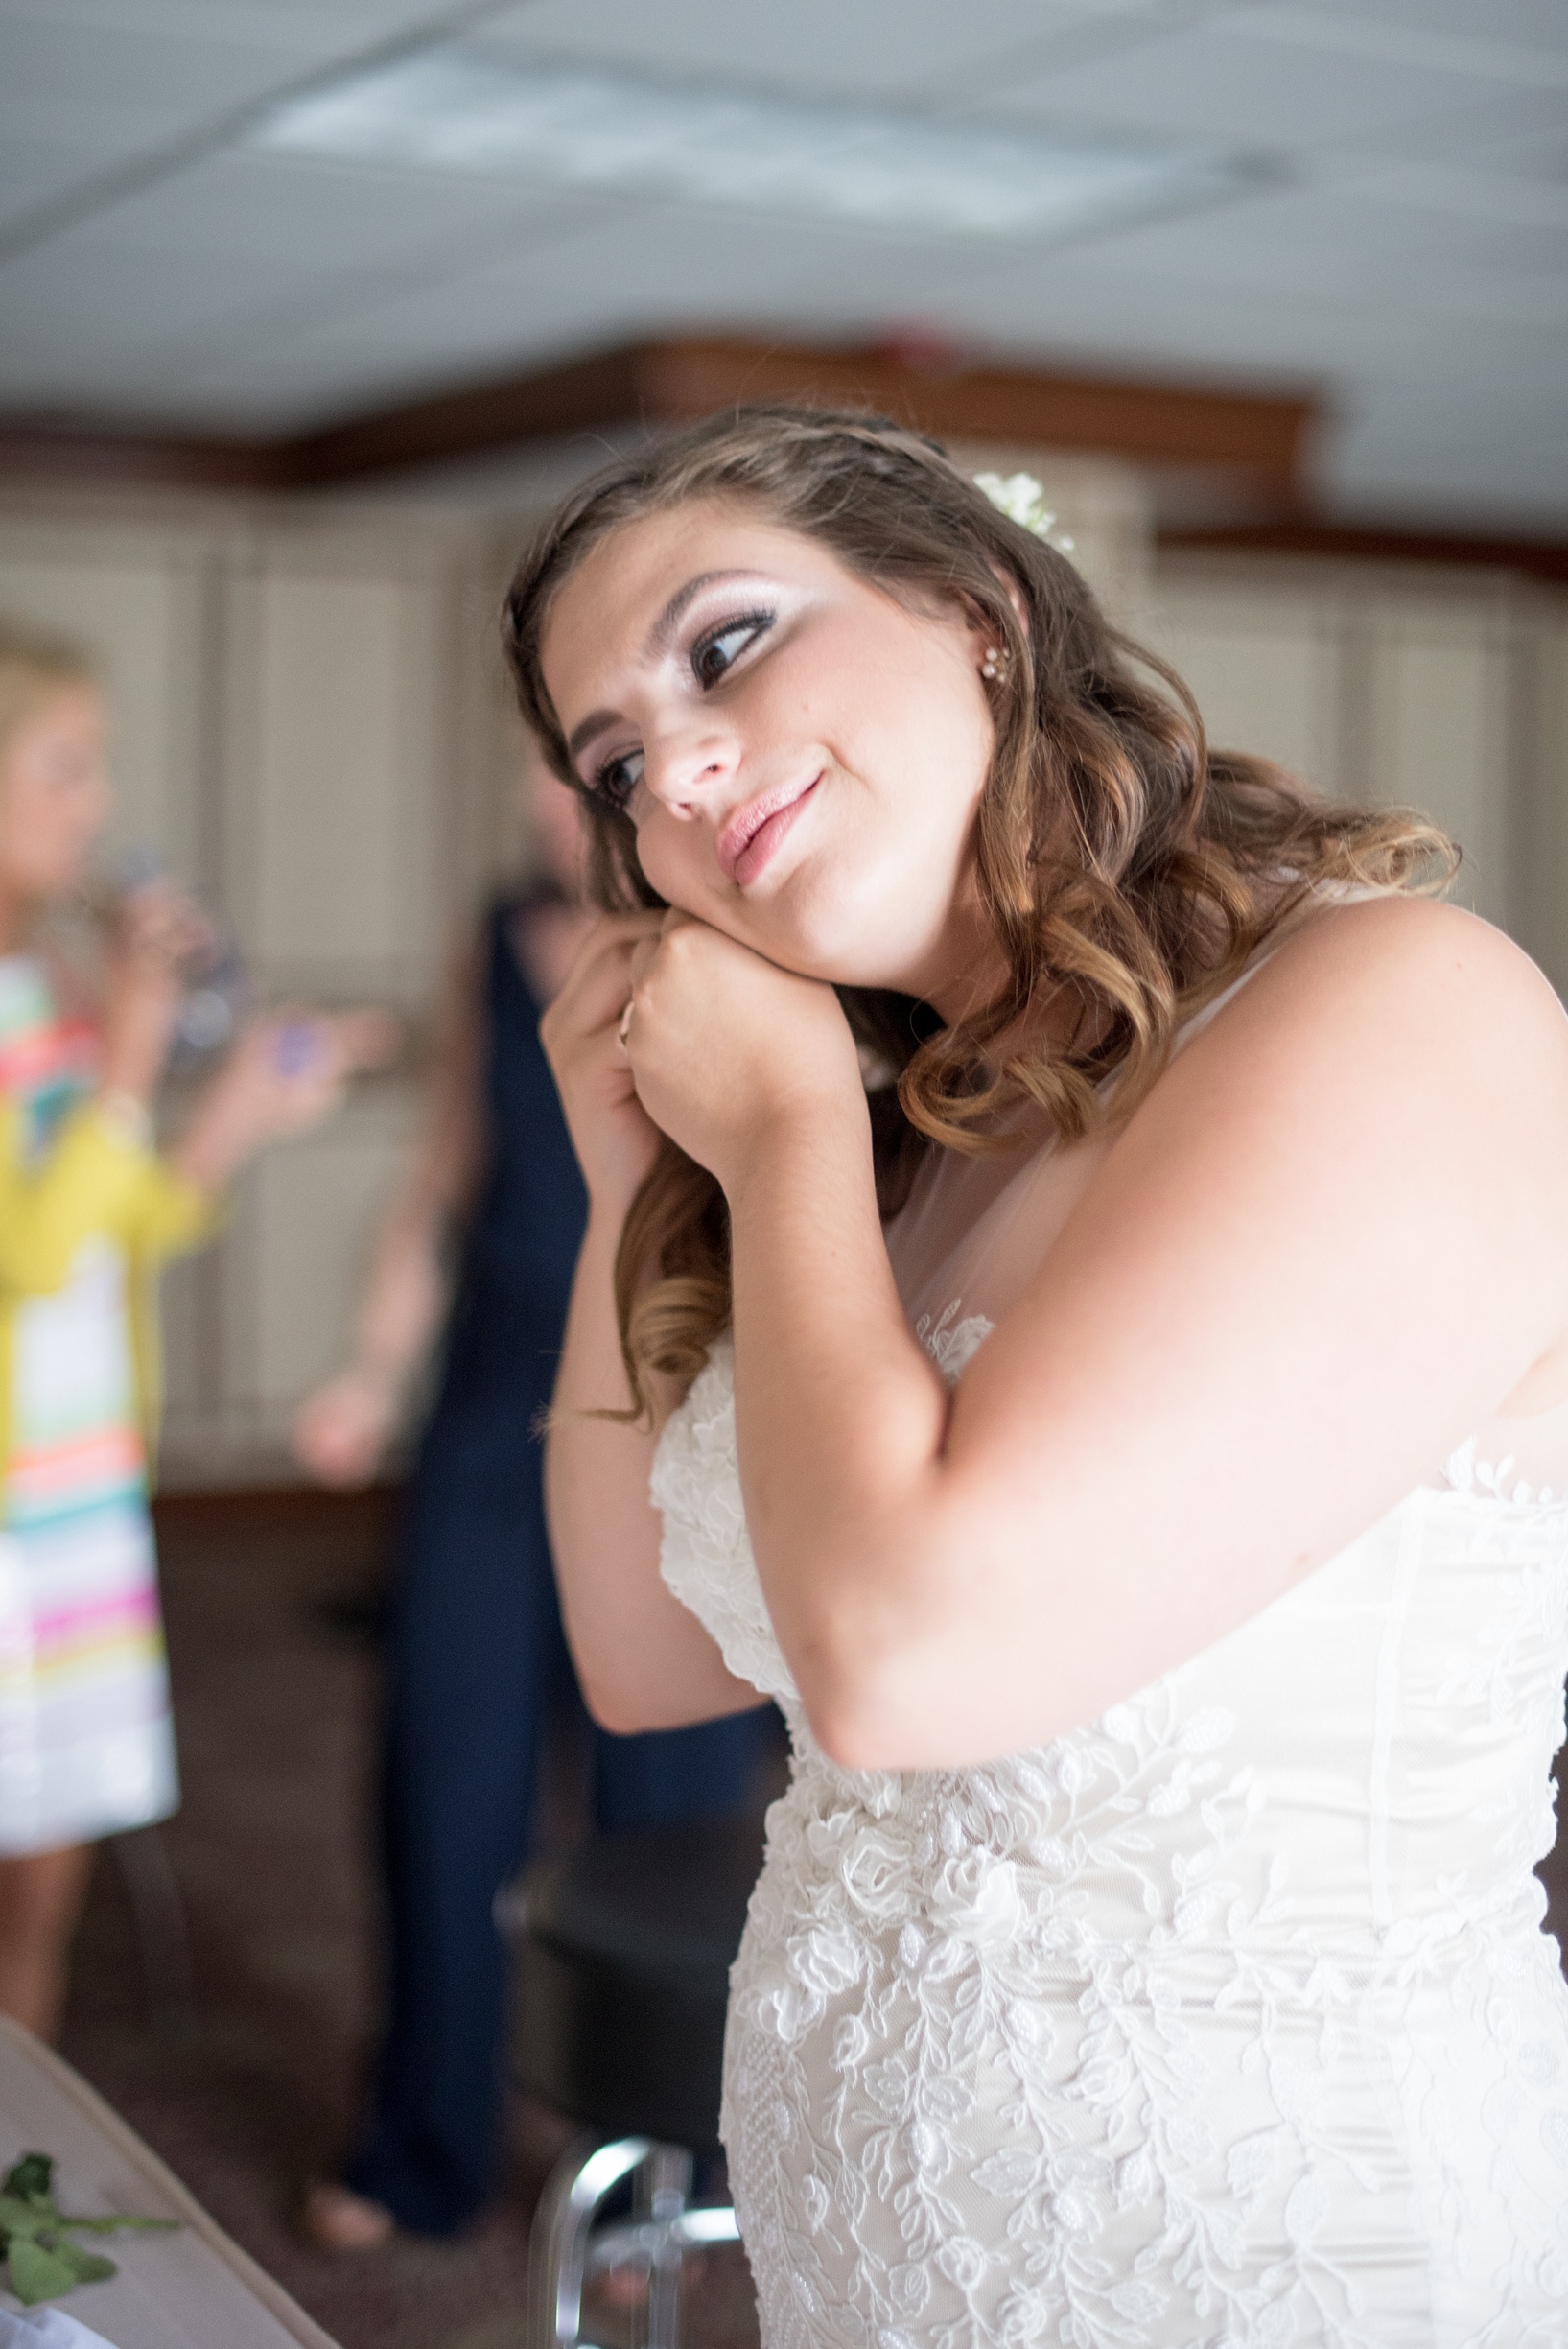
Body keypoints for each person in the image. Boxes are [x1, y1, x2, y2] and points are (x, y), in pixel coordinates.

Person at [508, 406, 1568, 2343]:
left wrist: (779, 1144)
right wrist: (620, 1191)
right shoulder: (922, 1135)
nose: (672, 768)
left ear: (974, 603)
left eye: (721, 645)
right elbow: (645, 1653)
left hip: (1266, 2259)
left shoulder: (1391, 1009)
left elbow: (911, 1662)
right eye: (614, 762)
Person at [293, 764, 771, 2248]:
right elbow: (446, 1169)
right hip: (492, 1405)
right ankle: (419, 2144)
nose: (531, 788)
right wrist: (370, 1365)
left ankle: (664, 2181)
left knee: (675, 1803)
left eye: (581, 765)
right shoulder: (498, 932)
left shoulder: (735, 961)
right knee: (444, 1778)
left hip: (675, 1402)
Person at [0, 618, 384, 2042]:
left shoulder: (59, 991)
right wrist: (133, 1047)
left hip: (76, 1504)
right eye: (64, 766)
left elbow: (123, 1227)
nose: (99, 805)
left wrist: (241, 1104)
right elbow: (20, 1247)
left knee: (34, 1893)